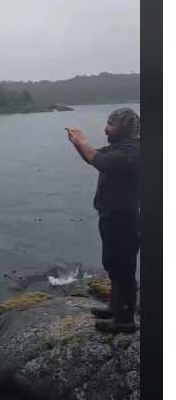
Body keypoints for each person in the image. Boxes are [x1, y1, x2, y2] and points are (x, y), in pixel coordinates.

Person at [66, 107, 140, 334]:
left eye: (110, 124)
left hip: (124, 219)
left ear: (124, 128)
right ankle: (114, 308)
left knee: (123, 268)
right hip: (112, 216)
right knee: (113, 264)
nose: (105, 128)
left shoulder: (133, 151)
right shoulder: (120, 148)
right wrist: (77, 143)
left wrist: (82, 140)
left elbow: (102, 162)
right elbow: (94, 158)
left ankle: (125, 320)